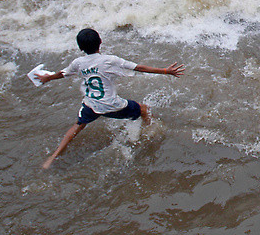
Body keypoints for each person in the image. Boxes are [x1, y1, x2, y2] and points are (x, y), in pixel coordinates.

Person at [37, 28, 184, 169]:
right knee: (144, 109)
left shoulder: (78, 63)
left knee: (78, 126)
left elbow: (63, 73)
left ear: (80, 47)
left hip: (91, 105)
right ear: (100, 42)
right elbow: (138, 68)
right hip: (112, 105)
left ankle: (52, 157)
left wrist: (47, 78)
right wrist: (165, 71)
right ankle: (150, 133)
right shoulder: (110, 60)